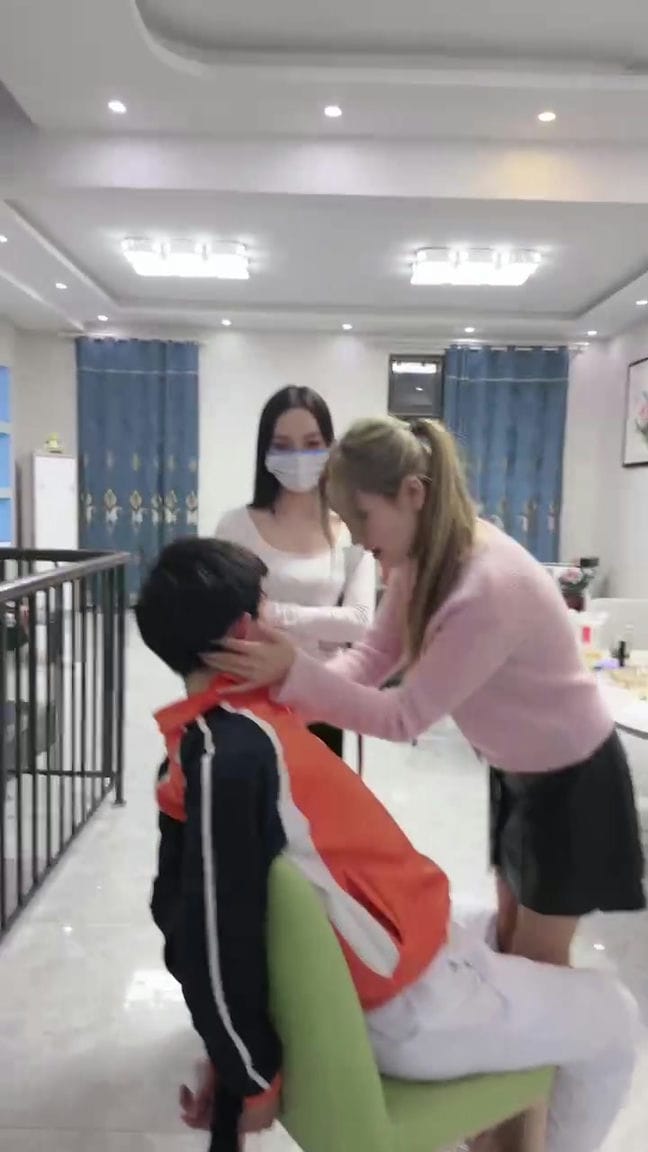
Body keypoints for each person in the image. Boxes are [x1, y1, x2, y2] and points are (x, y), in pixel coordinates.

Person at [135, 536, 638, 1152]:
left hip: (404, 948)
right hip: (409, 998)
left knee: (508, 938)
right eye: (268, 607)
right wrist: (248, 1072)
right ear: (245, 631)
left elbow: (193, 912)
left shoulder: (219, 736)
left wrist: (232, 1054)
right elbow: (211, 926)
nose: (279, 622)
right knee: (615, 1016)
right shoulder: (237, 756)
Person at [206, 416, 646, 969]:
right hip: (517, 772)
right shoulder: (421, 561)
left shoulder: (486, 586)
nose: (358, 538)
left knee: (540, 963)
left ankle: (570, 1028)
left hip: (573, 779)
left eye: (362, 517)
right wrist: (285, 693)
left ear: (412, 494)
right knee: (509, 937)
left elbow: (404, 716)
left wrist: (295, 673)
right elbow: (370, 659)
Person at [215, 385, 375, 757]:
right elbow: (223, 620)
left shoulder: (351, 530)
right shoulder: (235, 527)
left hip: (322, 696)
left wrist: (275, 613)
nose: (299, 457)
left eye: (312, 443)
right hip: (249, 698)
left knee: (316, 793)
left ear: (330, 448)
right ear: (265, 452)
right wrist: (321, 626)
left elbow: (360, 622)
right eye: (283, 445)